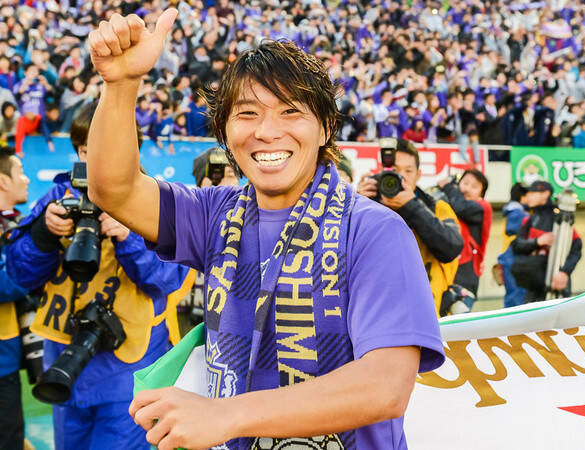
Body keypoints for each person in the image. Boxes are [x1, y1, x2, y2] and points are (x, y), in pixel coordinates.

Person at [86, 10, 444, 450]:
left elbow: (385, 386)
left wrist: (227, 415)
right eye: (248, 113)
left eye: (291, 112)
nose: (267, 132)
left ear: (326, 127)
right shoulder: (214, 214)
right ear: (224, 130)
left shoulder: (375, 230)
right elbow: (115, 190)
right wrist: (121, 84)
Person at [6, 103, 194, 450]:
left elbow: (168, 280)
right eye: (84, 151)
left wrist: (129, 236)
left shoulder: (158, 199)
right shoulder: (59, 196)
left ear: (132, 147)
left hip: (130, 367)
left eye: (106, 149)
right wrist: (43, 234)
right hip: (65, 361)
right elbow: (21, 274)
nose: (94, 161)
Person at [357, 138, 463, 316]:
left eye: (408, 171)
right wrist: (356, 204)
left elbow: (452, 247)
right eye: (395, 170)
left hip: (424, 313)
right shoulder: (367, 204)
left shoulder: (437, 207)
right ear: (384, 172)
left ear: (418, 175)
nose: (401, 177)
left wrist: (411, 206)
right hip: (377, 312)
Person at [0, 145, 30, 450]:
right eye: (20, 172)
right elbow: (7, 283)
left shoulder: (15, 223)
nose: (27, 179)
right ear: (3, 181)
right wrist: (38, 262)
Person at [512, 181, 582, 303]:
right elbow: (516, 245)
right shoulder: (531, 219)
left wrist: (564, 272)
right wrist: (537, 242)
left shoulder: (560, 219)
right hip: (534, 285)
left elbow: (576, 247)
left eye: (532, 192)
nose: (528, 196)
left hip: (555, 285)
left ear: (545, 194)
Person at [438, 169, 492, 309]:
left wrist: (448, 186)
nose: (467, 189)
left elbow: (460, 206)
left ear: (481, 194)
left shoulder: (482, 207)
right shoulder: (452, 203)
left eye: (474, 186)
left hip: (465, 279)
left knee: (458, 321)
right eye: (465, 183)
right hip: (448, 276)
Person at [497, 183, 530, 308]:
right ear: (522, 196)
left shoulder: (512, 211)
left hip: (510, 259)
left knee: (515, 297)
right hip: (513, 259)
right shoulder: (517, 213)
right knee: (516, 299)